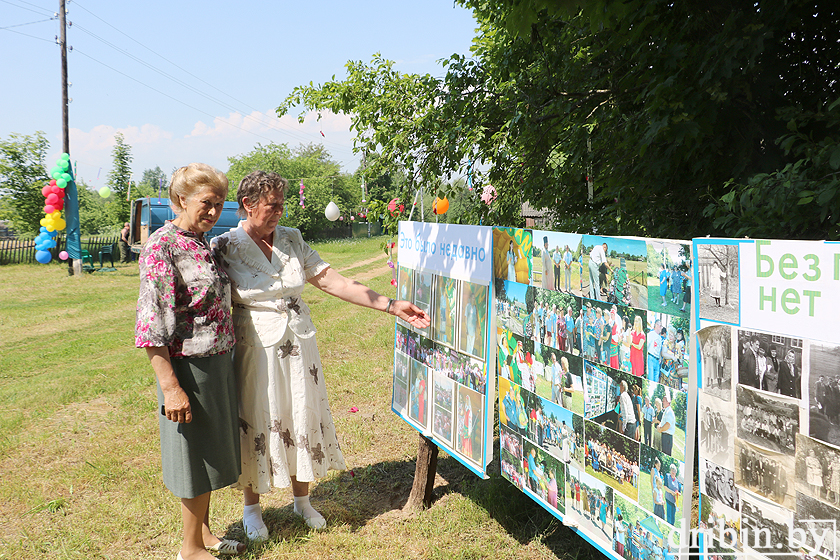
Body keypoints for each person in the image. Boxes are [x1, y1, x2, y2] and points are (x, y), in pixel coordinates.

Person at [213, 171, 429, 537]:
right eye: (272, 206)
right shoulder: (224, 247)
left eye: (282, 204)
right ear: (247, 205)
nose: (280, 212)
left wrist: (391, 305)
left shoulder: (292, 239)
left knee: (301, 411)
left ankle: (302, 500)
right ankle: (252, 509)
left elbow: (334, 280)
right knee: (255, 418)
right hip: (255, 350)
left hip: (300, 345)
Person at [135, 163, 245, 559]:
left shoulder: (202, 242)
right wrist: (171, 387)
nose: (214, 212)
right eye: (206, 203)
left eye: (219, 204)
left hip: (217, 363)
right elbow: (151, 325)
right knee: (193, 459)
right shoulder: (162, 245)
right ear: (181, 199)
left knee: (209, 454)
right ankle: (190, 550)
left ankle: (206, 535)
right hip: (187, 367)